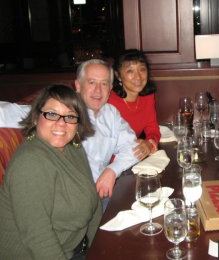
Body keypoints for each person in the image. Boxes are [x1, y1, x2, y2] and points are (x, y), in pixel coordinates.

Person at [0, 59, 140, 205]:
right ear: (78, 85)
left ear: (110, 88)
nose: (98, 90)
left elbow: (133, 147)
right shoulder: (62, 110)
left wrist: (111, 171)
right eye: (91, 82)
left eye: (104, 84)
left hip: (102, 191)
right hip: (71, 199)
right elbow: (10, 112)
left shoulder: (111, 114)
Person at [0, 85, 102, 259]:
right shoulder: (30, 163)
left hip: (77, 247)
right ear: (35, 118)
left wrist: (99, 247)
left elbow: (94, 204)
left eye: (70, 116)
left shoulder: (73, 148)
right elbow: (38, 238)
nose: (61, 123)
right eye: (52, 114)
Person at [108, 49, 161, 159]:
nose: (138, 77)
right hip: (109, 163)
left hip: (132, 159)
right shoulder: (109, 101)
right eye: (130, 71)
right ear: (118, 75)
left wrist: (149, 143)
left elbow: (152, 128)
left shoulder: (147, 96)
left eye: (142, 69)